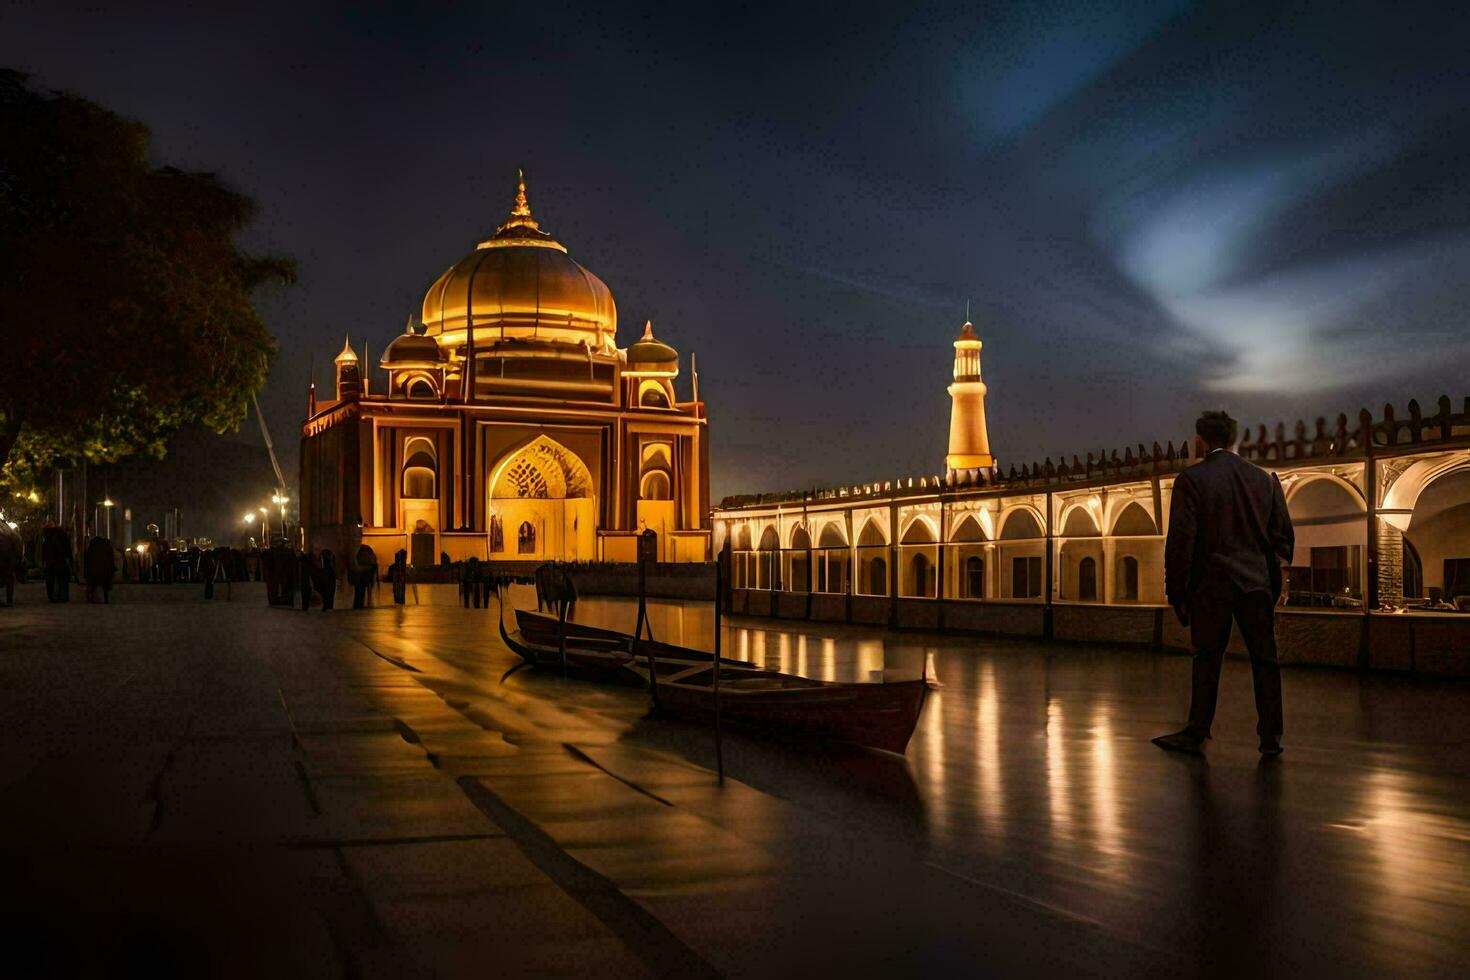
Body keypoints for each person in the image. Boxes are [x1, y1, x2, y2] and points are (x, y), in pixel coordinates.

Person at [1154, 411, 1295, 757]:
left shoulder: (1192, 479)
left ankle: (1197, 731)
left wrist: (1177, 593)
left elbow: (1181, 542)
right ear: (1232, 440)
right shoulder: (1264, 480)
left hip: (1211, 587)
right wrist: (1268, 582)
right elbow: (1283, 538)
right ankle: (1270, 738)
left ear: (1200, 440)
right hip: (1255, 585)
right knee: (1266, 662)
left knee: (1206, 660)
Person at [41, 525, 72, 602]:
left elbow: (44, 553)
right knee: (62, 580)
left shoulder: (48, 539)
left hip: (53, 563)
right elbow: (67, 550)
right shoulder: (62, 537)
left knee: (53, 580)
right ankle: (62, 596)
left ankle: (54, 596)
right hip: (59, 562)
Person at [351, 544, 378, 609]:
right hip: (365, 575)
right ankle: (364, 605)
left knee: (359, 591)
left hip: (359, 576)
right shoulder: (369, 554)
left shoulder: (360, 552)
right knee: (362, 592)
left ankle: (358, 606)